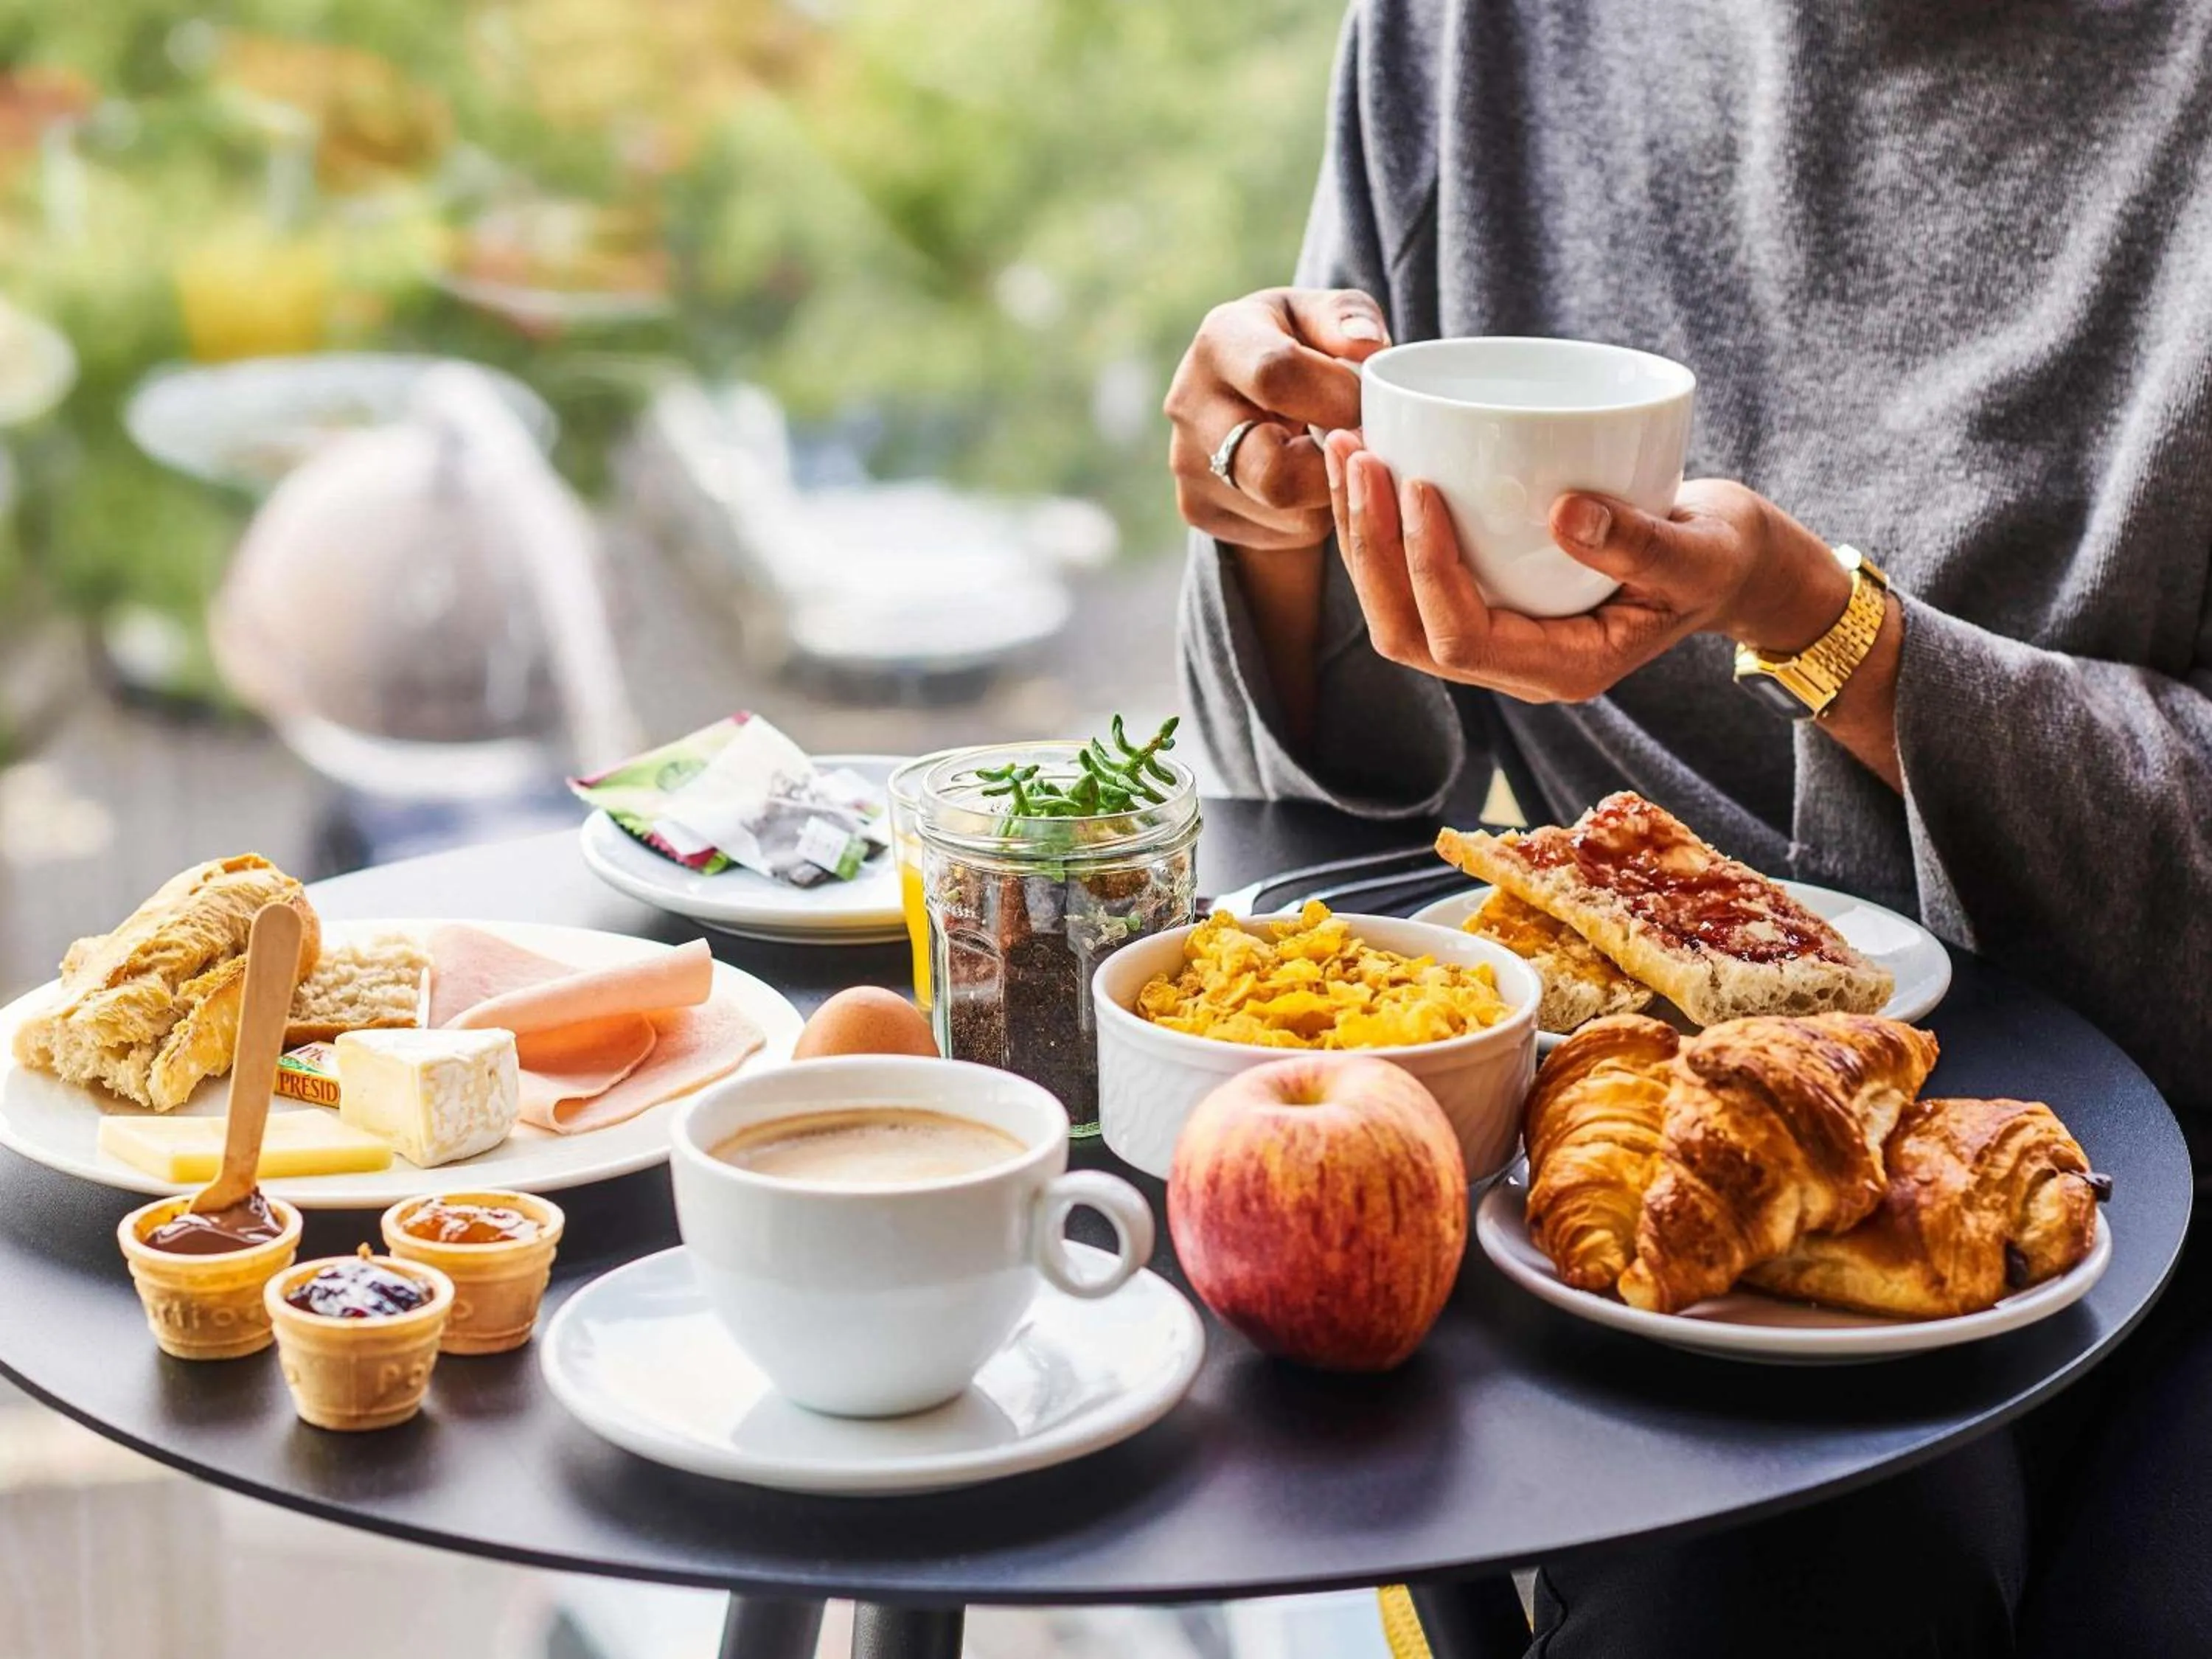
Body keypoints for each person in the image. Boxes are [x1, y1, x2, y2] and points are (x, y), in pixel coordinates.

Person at [1166, 3, 2212, 1654]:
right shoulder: (1473, 38)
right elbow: (1312, 818)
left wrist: (1839, 639)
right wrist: (1274, 519)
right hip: (1670, 1167)